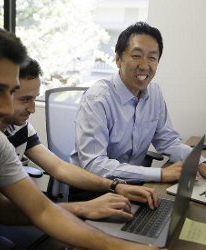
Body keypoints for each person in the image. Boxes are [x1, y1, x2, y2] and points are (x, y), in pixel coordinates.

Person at [0, 18, 159, 250]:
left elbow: (43, 207)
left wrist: (131, 247)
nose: (5, 108)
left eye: (11, 92)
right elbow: (2, 209)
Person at [0, 57, 159, 225]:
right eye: (25, 99)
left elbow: (59, 167)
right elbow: (0, 210)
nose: (33, 109)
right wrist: (83, 208)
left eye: (35, 98)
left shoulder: (19, 128)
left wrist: (115, 186)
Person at [70, 21, 206, 192]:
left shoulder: (154, 93)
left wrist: (199, 162)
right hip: (93, 189)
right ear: (118, 59)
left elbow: (168, 140)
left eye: (152, 57)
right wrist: (160, 174)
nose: (144, 65)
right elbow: (94, 164)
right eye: (136, 55)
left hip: (132, 186)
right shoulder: (97, 99)